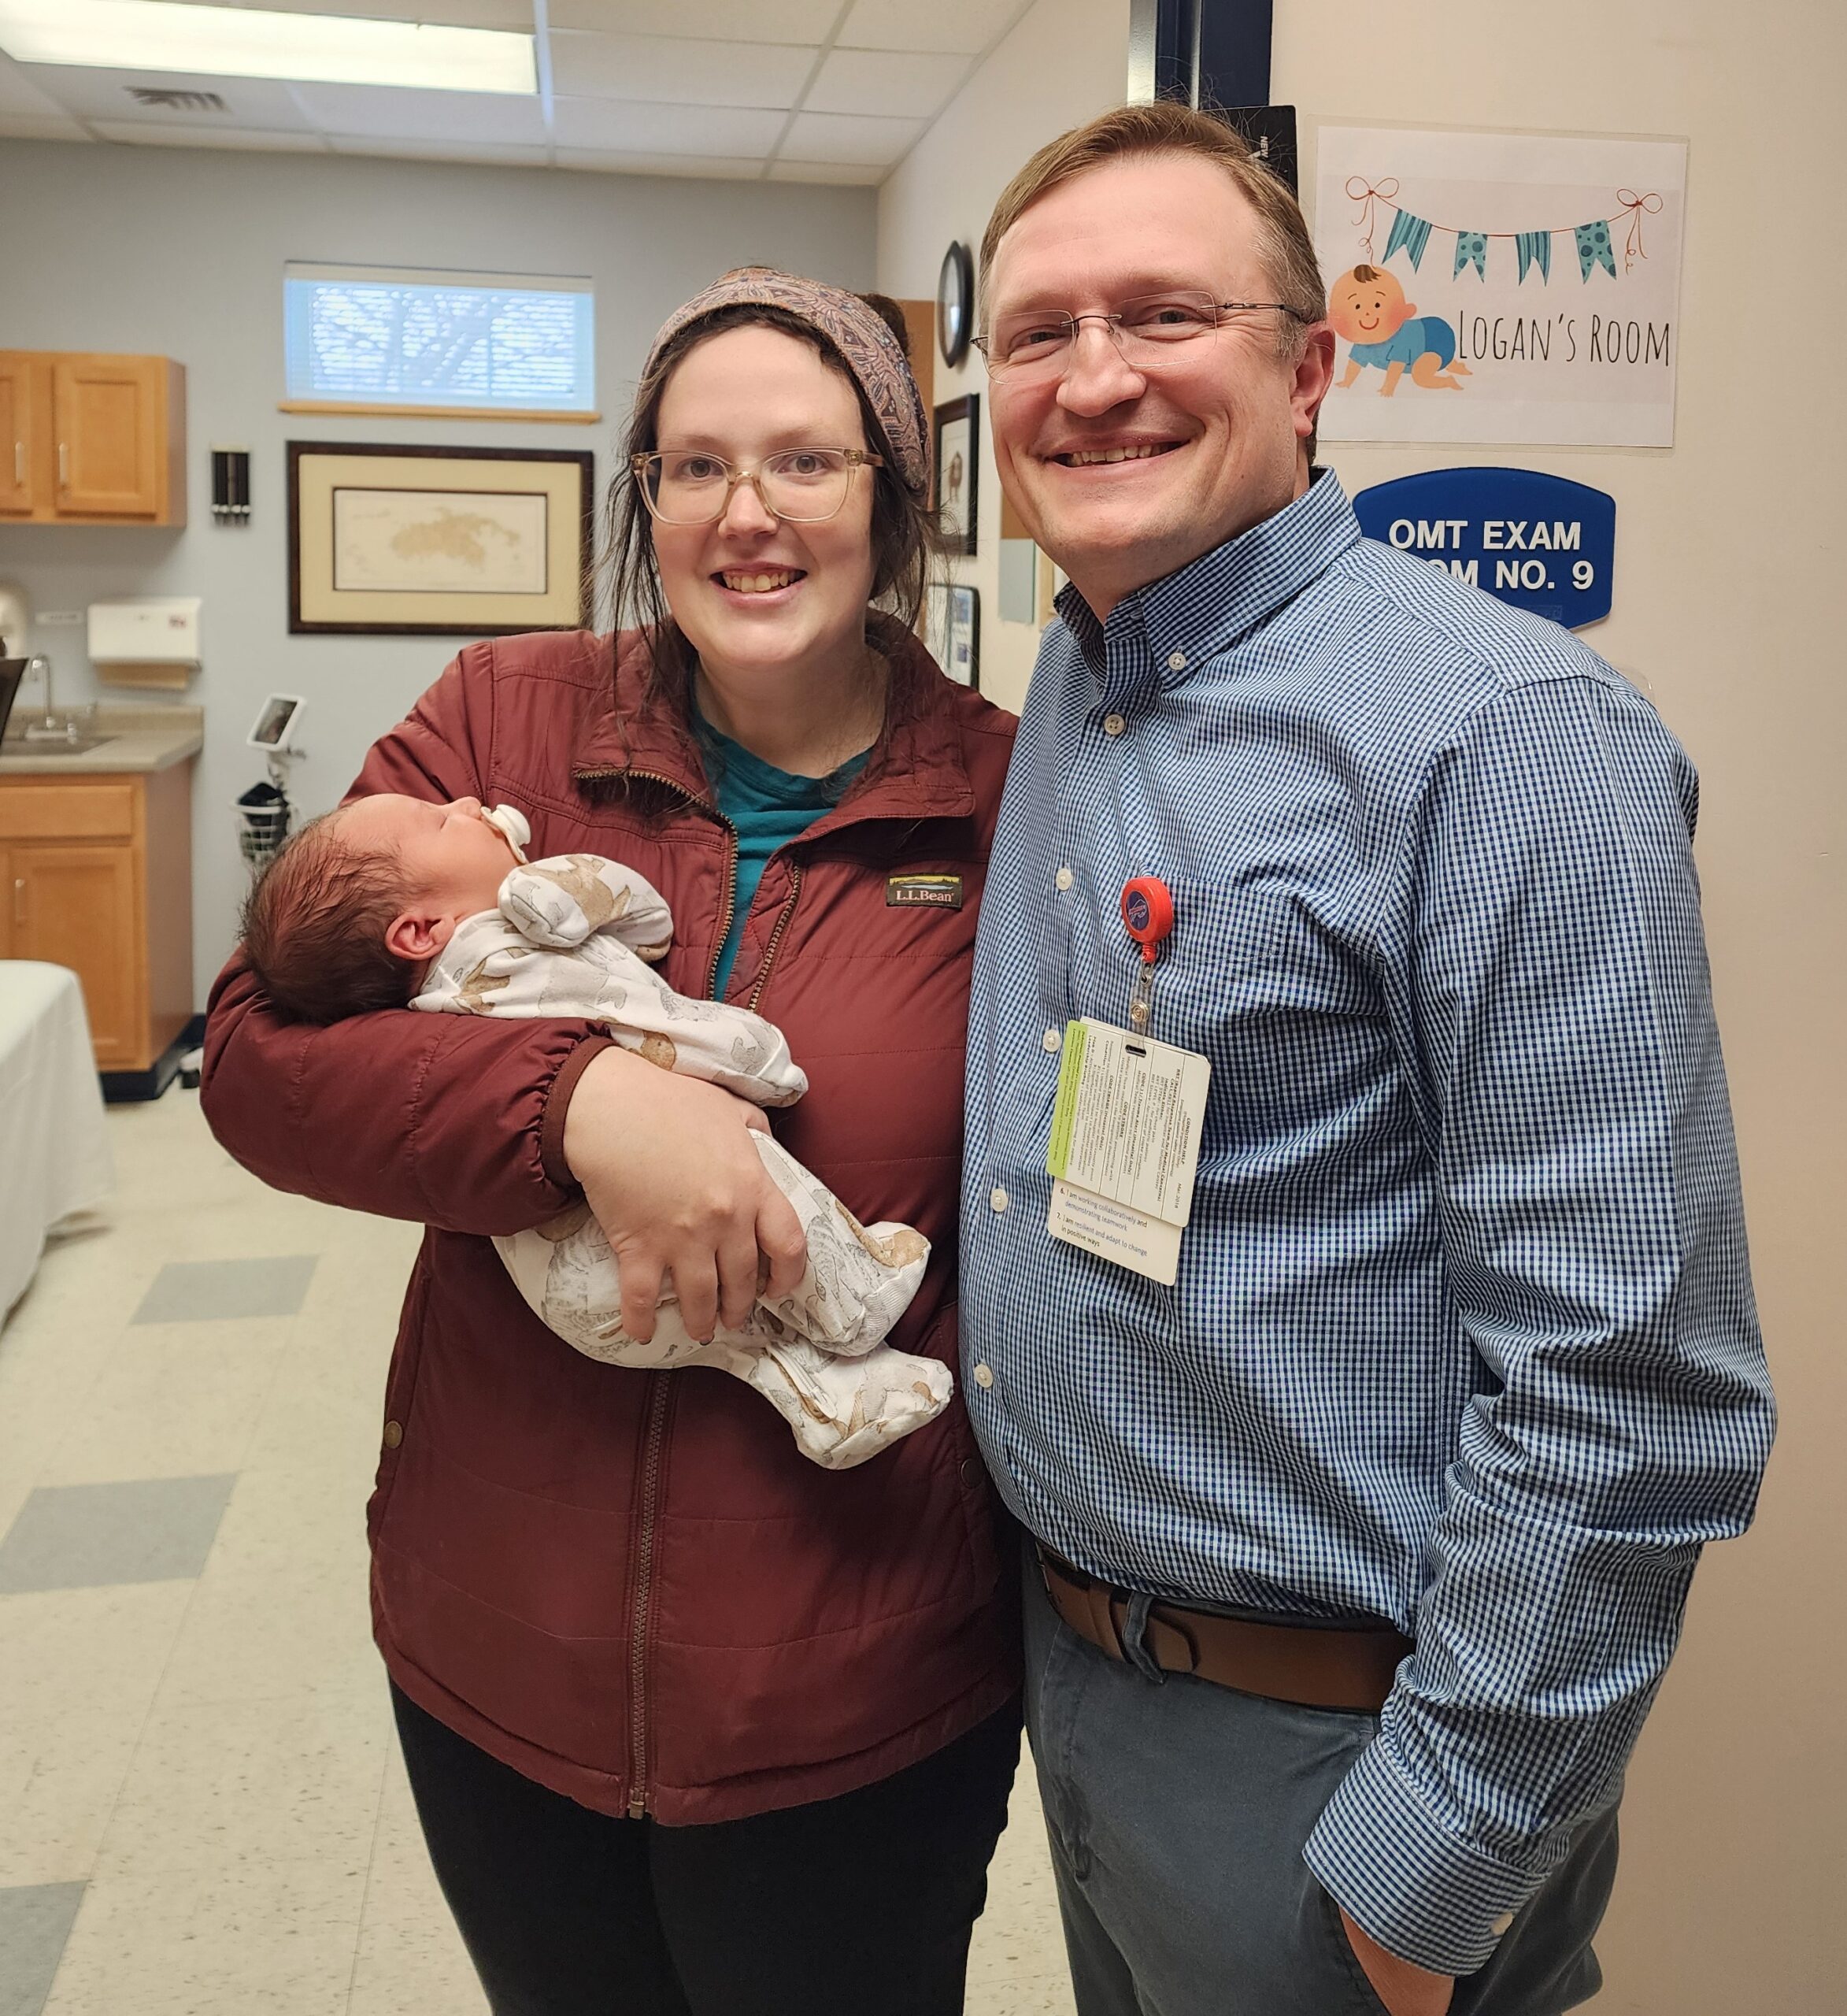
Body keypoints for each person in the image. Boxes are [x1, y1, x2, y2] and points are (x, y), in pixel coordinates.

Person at [960, 101, 1775, 2016]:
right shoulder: (1086, 668)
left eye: (1163, 315)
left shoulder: (1510, 734)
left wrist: (1430, 1869)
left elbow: (1632, 1391)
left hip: (1333, 1759)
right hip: (1088, 1691)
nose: (1093, 381)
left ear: (1313, 366)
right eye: (1036, 334)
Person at [203, 269, 1021, 2016]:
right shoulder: (499, 719)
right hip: (497, 1644)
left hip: (855, 1678)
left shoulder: (1011, 795)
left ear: (894, 493)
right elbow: (260, 1058)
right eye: (694, 464)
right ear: (642, 497)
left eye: (806, 462)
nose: (748, 514)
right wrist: (579, 1102)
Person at [236, 792, 949, 1469]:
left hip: (581, 1300)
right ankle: (855, 1297)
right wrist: (745, 1054)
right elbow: (646, 1018)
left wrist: (564, 892)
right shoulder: (497, 961)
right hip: (618, 1263)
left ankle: (834, 1403)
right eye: (441, 823)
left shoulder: (444, 995)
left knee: (747, 1342)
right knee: (734, 1161)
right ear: (420, 931)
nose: (466, 805)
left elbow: (646, 929)